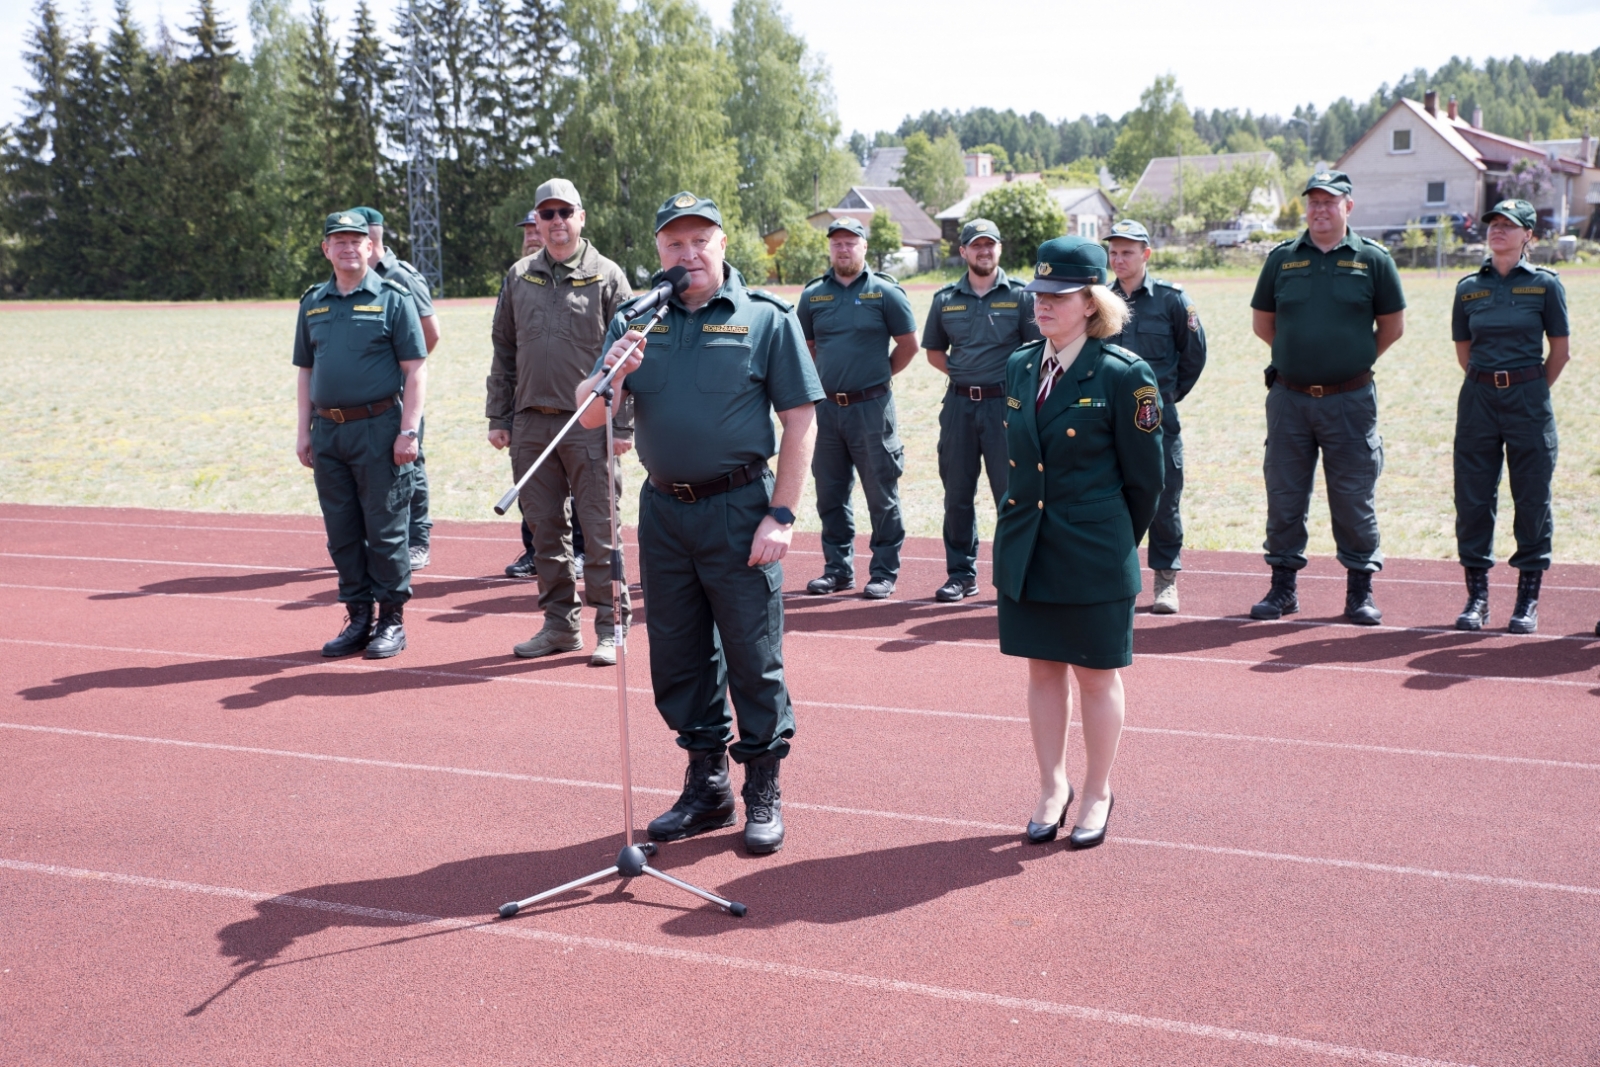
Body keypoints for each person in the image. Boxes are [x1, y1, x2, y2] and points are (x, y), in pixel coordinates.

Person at [579, 191, 822, 855]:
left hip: (742, 508)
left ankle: (762, 786)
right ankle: (707, 782)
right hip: (664, 512)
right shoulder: (636, 317)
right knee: (680, 656)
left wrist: (783, 513)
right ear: (659, 252)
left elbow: (800, 420)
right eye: (674, 244)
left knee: (752, 654)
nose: (687, 255)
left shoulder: (766, 318)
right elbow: (590, 413)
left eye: (699, 242)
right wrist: (609, 374)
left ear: (721, 244)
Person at [993, 235, 1163, 850]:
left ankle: (1097, 790)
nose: (1043, 304)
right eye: (1038, 293)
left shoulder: (1124, 375)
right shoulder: (1018, 365)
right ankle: (1051, 785)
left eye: (1058, 295)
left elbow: (1147, 480)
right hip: (1029, 545)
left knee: (1096, 676)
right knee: (1043, 670)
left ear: (1091, 303)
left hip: (1093, 549)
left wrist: (1112, 536)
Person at [1248, 170, 1406, 625]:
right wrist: (1301, 360)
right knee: (1284, 496)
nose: (1320, 209)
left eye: (1330, 202)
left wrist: (1350, 363)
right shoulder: (1281, 259)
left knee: (1354, 498)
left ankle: (1359, 591)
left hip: (1350, 401)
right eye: (1313, 202)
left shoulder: (1373, 259)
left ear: (1348, 207)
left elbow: (1392, 328)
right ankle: (1283, 590)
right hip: (1289, 399)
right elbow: (1264, 325)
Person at [488, 178, 633, 666]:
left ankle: (611, 626)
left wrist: (624, 425)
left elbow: (633, 356)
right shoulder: (519, 275)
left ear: (581, 216)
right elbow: (504, 349)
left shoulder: (607, 276)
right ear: (537, 220)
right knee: (545, 531)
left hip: (591, 423)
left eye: (564, 212)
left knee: (599, 529)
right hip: (530, 424)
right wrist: (499, 415)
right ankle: (558, 626)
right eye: (546, 214)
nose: (556, 222)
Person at [293, 211, 428, 659]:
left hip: (379, 429)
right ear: (326, 249)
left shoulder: (393, 298)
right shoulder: (312, 302)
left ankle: (391, 620)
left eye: (357, 240)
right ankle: (358, 617)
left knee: (386, 529)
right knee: (342, 533)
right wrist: (303, 432)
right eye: (339, 241)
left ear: (370, 247)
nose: (349, 248)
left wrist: (408, 431)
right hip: (328, 431)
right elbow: (305, 371)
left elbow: (415, 369)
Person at [1451, 198, 1569, 634]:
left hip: (1528, 401)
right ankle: (1477, 598)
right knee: (1473, 499)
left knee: (1532, 499)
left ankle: (1526, 601)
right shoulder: (1467, 288)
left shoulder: (1545, 285)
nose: (1498, 230)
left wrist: (1527, 387)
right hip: (1479, 399)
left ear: (1529, 237)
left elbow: (1560, 352)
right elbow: (1464, 352)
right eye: (1494, 223)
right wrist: (1493, 384)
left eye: (1509, 225)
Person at [796, 217, 918, 599]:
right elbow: (807, 348)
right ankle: (837, 570)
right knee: (829, 494)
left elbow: (908, 345)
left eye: (851, 242)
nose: (843, 249)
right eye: (837, 243)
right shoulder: (813, 295)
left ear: (864, 247)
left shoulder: (886, 292)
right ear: (830, 248)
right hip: (827, 411)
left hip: (872, 409)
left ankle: (883, 571)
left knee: (881, 494)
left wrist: (879, 378)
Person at [921, 219, 1040, 602]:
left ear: (999, 250)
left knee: (1011, 493)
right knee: (957, 494)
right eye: (976, 246)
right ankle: (961, 575)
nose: (984, 251)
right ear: (964, 252)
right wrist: (963, 376)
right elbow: (934, 351)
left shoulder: (1022, 296)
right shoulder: (945, 299)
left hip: (1005, 408)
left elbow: (1035, 352)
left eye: (990, 245)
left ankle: (1015, 574)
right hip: (958, 407)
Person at [1103, 219, 1207, 614]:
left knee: (1164, 499)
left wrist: (1168, 396)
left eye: (1127, 252)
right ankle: (1117, 578)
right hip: (1108, 422)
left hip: (1157, 420)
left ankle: (1165, 581)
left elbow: (1194, 355)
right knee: (1109, 499)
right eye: (1113, 252)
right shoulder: (1099, 300)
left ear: (1146, 254)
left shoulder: (1172, 300)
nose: (1119, 259)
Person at [352, 207, 440, 571]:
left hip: (400, 391)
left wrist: (401, 369)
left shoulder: (402, 276)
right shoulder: (355, 278)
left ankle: (417, 540)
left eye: (357, 238)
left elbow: (430, 334)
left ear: (372, 241)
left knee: (410, 464)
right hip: (366, 395)